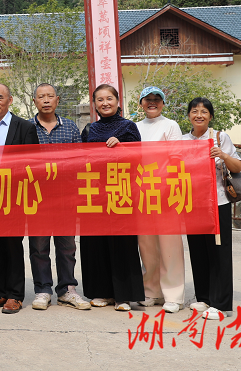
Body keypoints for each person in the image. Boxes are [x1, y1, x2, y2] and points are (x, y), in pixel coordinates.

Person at [79, 83, 144, 312]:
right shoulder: (89, 130)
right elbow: (81, 161)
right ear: (94, 104)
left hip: (122, 192)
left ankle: (123, 295)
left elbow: (140, 159)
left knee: (122, 243)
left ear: (117, 102)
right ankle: (102, 292)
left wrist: (122, 146)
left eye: (109, 98)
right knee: (96, 243)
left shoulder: (129, 127)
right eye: (100, 99)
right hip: (95, 194)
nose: (105, 103)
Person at [28, 83, 90, 311]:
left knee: (67, 246)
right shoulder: (27, 128)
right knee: (39, 246)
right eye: (41, 97)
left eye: (50, 96)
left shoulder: (71, 128)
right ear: (34, 101)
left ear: (57, 100)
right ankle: (43, 290)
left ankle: (67, 290)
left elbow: (79, 161)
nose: (46, 100)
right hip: (37, 198)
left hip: (65, 197)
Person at [0, 83, 38, 315]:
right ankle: (1, 291)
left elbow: (33, 164)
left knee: (13, 245)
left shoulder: (24, 127)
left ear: (10, 100)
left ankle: (16, 295)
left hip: (13, 195)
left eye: (0, 97)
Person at [183, 97, 241, 321]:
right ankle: (205, 297)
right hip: (192, 204)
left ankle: (221, 303)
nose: (199, 115)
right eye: (194, 111)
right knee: (198, 251)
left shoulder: (219, 137)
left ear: (210, 116)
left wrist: (223, 155)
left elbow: (237, 166)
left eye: (204, 111)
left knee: (219, 253)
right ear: (189, 115)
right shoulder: (182, 140)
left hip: (217, 203)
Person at [134, 86, 185, 314]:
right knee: (147, 246)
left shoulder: (170, 125)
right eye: (148, 100)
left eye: (157, 99)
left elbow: (176, 159)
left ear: (163, 103)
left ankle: (174, 294)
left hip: (166, 193)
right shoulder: (134, 127)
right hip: (142, 194)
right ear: (141, 104)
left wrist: (168, 187)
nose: (152, 103)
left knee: (169, 244)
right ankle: (151, 291)